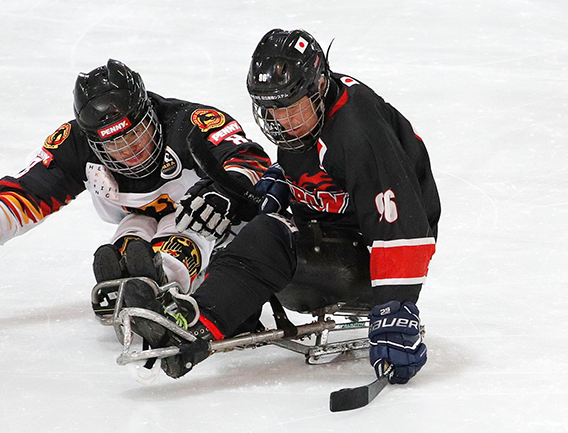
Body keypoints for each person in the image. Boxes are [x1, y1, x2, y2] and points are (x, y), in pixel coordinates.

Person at [121, 29, 441, 383]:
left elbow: (402, 225)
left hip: (372, 265)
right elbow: (320, 178)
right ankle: (218, 311)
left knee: (270, 234)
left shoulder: (358, 128)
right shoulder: (307, 118)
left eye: (289, 107)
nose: (280, 120)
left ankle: (198, 321)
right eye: (270, 108)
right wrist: (270, 186)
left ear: (318, 87)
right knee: (236, 213)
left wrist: (396, 308)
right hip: (337, 239)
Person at [0, 59, 270, 317]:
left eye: (136, 133)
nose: (130, 151)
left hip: (213, 225)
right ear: (93, 141)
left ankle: (168, 279)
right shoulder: (75, 144)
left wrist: (226, 190)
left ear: (150, 113)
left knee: (189, 229)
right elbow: (28, 193)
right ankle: (133, 281)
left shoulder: (189, 123)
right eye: (115, 144)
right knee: (129, 244)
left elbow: (249, 159)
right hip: (137, 218)